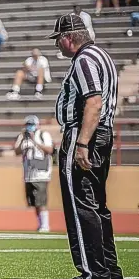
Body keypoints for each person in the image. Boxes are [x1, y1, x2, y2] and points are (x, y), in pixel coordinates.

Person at [47, 14, 123, 279]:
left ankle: (93, 271)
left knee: (81, 206)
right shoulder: (103, 56)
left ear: (69, 38)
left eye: (58, 39)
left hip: (85, 134)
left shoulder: (84, 59)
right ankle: (109, 269)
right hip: (103, 134)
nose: (57, 44)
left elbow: (93, 102)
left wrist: (81, 142)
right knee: (98, 205)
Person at [14, 115, 53, 233]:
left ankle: (45, 225)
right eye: (27, 124)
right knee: (34, 202)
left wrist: (34, 141)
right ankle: (40, 224)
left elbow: (49, 150)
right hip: (28, 174)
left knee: (41, 200)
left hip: (41, 173)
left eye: (31, 124)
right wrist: (23, 140)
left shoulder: (43, 135)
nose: (29, 127)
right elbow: (17, 151)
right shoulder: (22, 137)